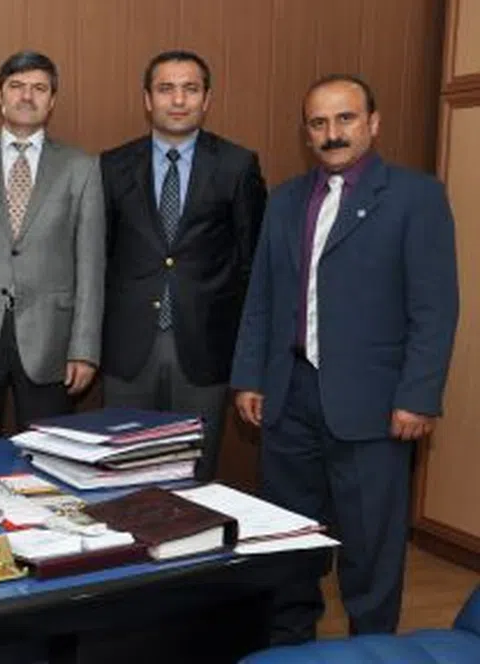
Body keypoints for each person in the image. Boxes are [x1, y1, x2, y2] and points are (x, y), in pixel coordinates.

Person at [230, 74, 458, 643]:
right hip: (289, 395)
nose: (332, 133)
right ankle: (289, 645)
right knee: (287, 538)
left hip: (373, 403)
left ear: (372, 123)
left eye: (345, 118)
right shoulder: (285, 200)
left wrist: (418, 395)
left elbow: (434, 308)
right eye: (319, 123)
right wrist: (249, 377)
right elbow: (262, 296)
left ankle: (372, 647)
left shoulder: (415, 197)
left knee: (370, 544)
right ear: (306, 132)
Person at [99, 50, 266, 481]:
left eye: (190, 89)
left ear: (206, 99)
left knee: (194, 473)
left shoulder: (237, 165)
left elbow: (252, 265)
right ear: (147, 99)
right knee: (123, 474)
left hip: (205, 348)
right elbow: (100, 256)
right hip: (128, 348)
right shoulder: (112, 166)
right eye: (166, 89)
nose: (178, 100)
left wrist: (251, 358)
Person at [0, 50, 104, 441]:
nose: (27, 96)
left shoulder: (81, 167)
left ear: (52, 100)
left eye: (39, 88)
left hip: (52, 340)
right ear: (0, 95)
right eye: (16, 86)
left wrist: (84, 348)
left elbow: (91, 264)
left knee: (50, 458)